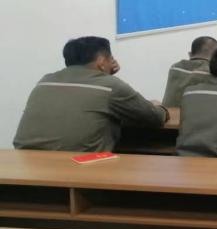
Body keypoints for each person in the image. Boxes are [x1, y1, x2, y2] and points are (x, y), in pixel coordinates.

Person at [15, 36, 168, 153]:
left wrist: (105, 75)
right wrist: (159, 107)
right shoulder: (110, 86)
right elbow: (154, 118)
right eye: (110, 59)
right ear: (101, 61)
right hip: (80, 167)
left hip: (26, 162)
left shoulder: (45, 81)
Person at [162, 36, 217, 107]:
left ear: (190, 54)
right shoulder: (212, 72)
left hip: (167, 112)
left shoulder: (175, 67)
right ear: (216, 56)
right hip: (191, 114)